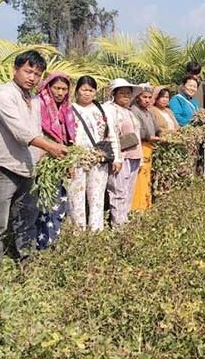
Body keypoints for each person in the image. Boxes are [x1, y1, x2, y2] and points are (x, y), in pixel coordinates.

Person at [0, 50, 67, 262]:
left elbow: (35, 132)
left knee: (27, 220)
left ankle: (26, 264)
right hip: (2, 168)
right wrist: (50, 147)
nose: (32, 78)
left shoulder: (34, 100)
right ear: (15, 69)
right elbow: (20, 132)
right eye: (28, 71)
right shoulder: (3, 95)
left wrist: (45, 156)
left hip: (26, 169)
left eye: (37, 74)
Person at [68, 76, 120, 232]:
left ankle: (96, 233)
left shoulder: (102, 110)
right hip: (76, 159)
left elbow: (112, 135)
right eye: (84, 89)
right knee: (76, 196)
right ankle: (77, 232)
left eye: (91, 90)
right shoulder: (69, 109)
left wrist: (117, 157)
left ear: (95, 92)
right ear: (77, 91)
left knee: (96, 197)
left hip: (99, 159)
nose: (87, 93)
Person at [34, 72, 76, 249]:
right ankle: (41, 245)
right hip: (41, 161)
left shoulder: (66, 110)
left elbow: (67, 138)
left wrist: (69, 161)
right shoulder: (38, 105)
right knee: (44, 205)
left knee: (59, 203)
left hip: (59, 162)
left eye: (64, 89)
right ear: (48, 87)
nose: (60, 92)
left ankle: (53, 243)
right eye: (56, 88)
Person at [104, 78, 142, 227]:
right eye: (122, 93)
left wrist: (141, 159)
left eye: (128, 93)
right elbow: (111, 134)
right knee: (118, 192)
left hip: (134, 156)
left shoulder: (130, 111)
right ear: (114, 94)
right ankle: (117, 225)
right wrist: (116, 157)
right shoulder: (110, 109)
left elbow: (136, 135)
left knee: (128, 192)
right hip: (121, 157)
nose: (126, 95)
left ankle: (124, 223)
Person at [131, 85, 161, 210]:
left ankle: (145, 205)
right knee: (139, 178)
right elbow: (139, 131)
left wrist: (159, 135)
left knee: (146, 177)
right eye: (144, 97)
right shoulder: (134, 110)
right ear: (138, 98)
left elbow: (156, 128)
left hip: (149, 147)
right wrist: (149, 136)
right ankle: (137, 208)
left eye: (149, 97)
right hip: (140, 147)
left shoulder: (148, 111)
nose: (147, 100)